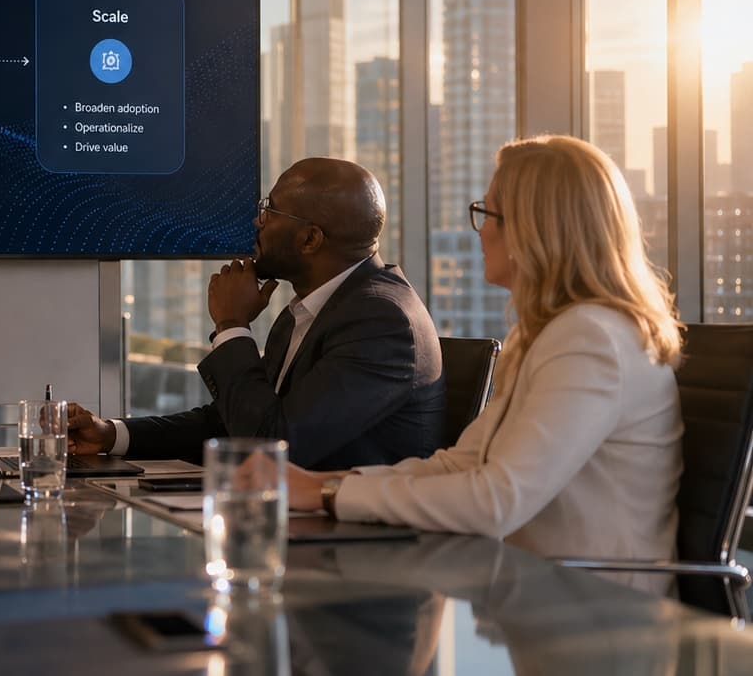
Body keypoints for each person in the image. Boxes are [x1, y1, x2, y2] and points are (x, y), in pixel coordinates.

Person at [286, 136, 683, 590]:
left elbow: (496, 500)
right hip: (539, 600)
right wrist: (321, 483)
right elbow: (464, 465)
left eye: (488, 213)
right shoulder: (551, 333)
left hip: (601, 620)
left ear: (537, 229)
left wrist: (324, 494)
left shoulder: (592, 340)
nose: (482, 230)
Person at [69, 157, 443, 469]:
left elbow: (272, 445)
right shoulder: (315, 309)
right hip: (291, 521)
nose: (257, 222)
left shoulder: (381, 322)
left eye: (269, 210)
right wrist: (111, 434)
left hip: (351, 546)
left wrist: (231, 326)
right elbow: (233, 420)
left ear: (310, 239)